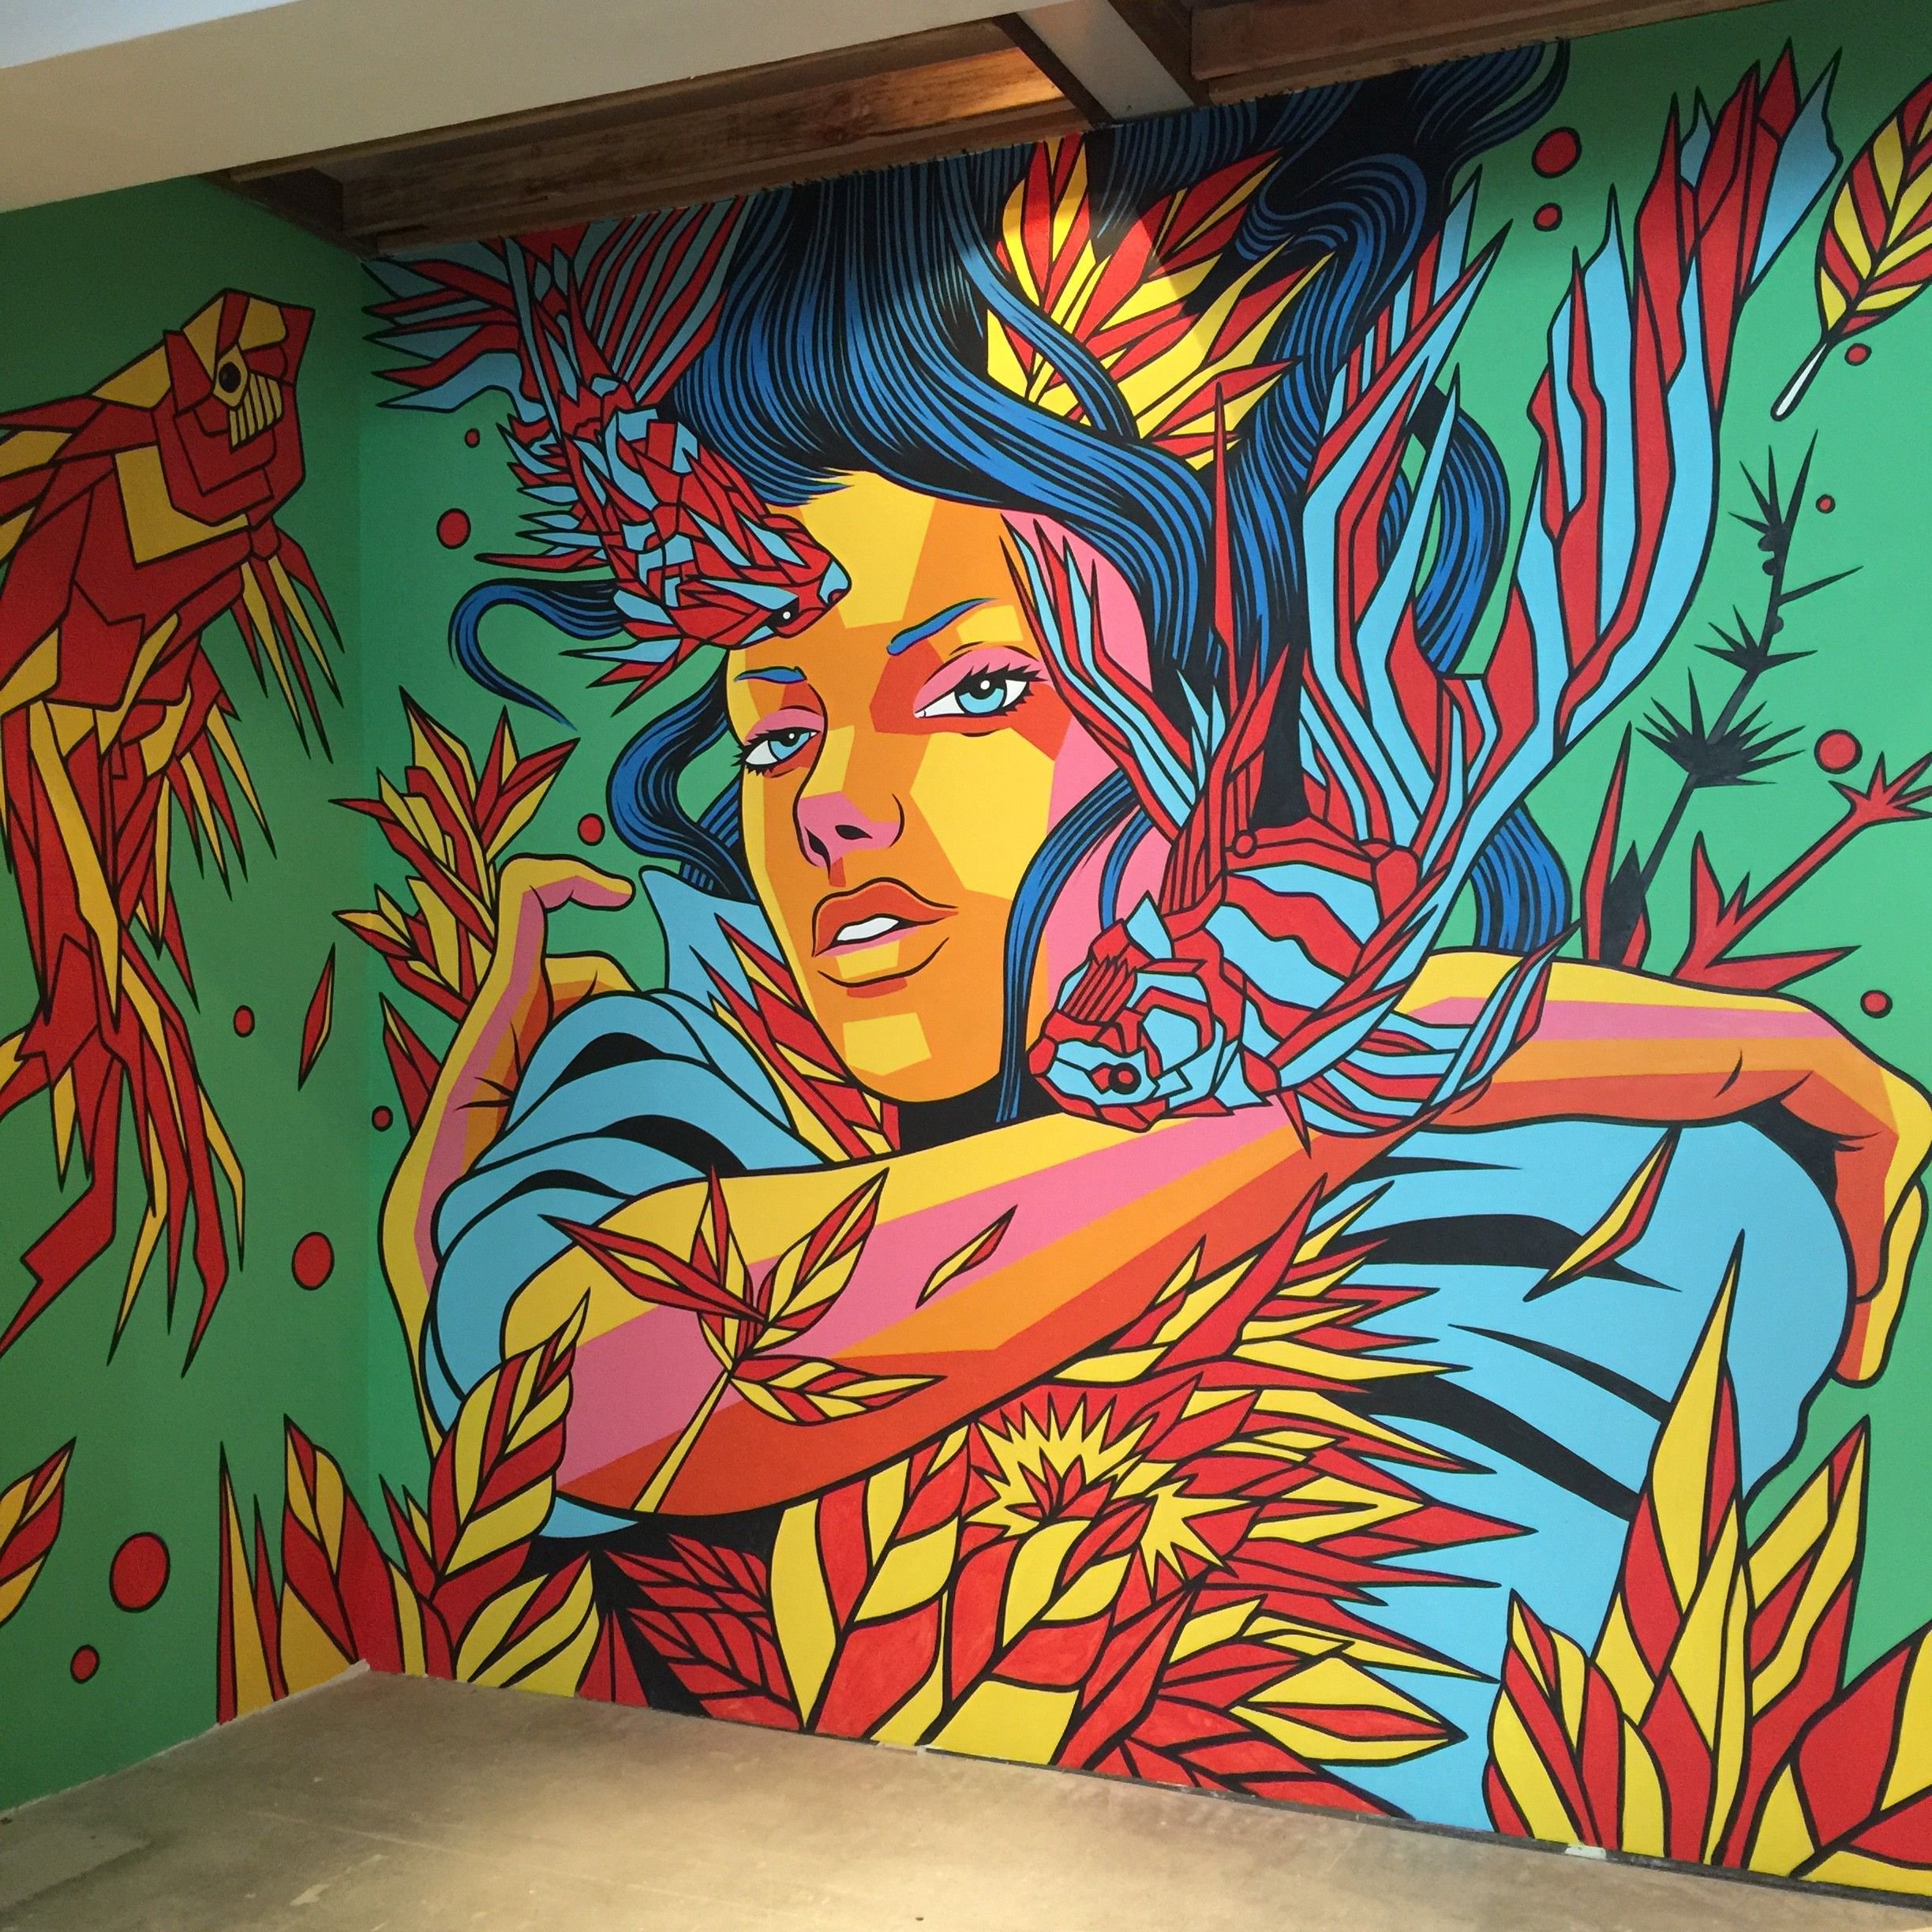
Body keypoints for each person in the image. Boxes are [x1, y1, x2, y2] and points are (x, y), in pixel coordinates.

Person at [376, 51, 1929, 1824]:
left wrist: (1446, 1065)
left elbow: (1413, 1710)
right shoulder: (678, 1051)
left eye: (978, 692)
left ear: (1214, 731)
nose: (834, 807)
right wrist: (1351, 1085)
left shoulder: (1611, 1190)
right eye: (778, 729)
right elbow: (577, 1381)